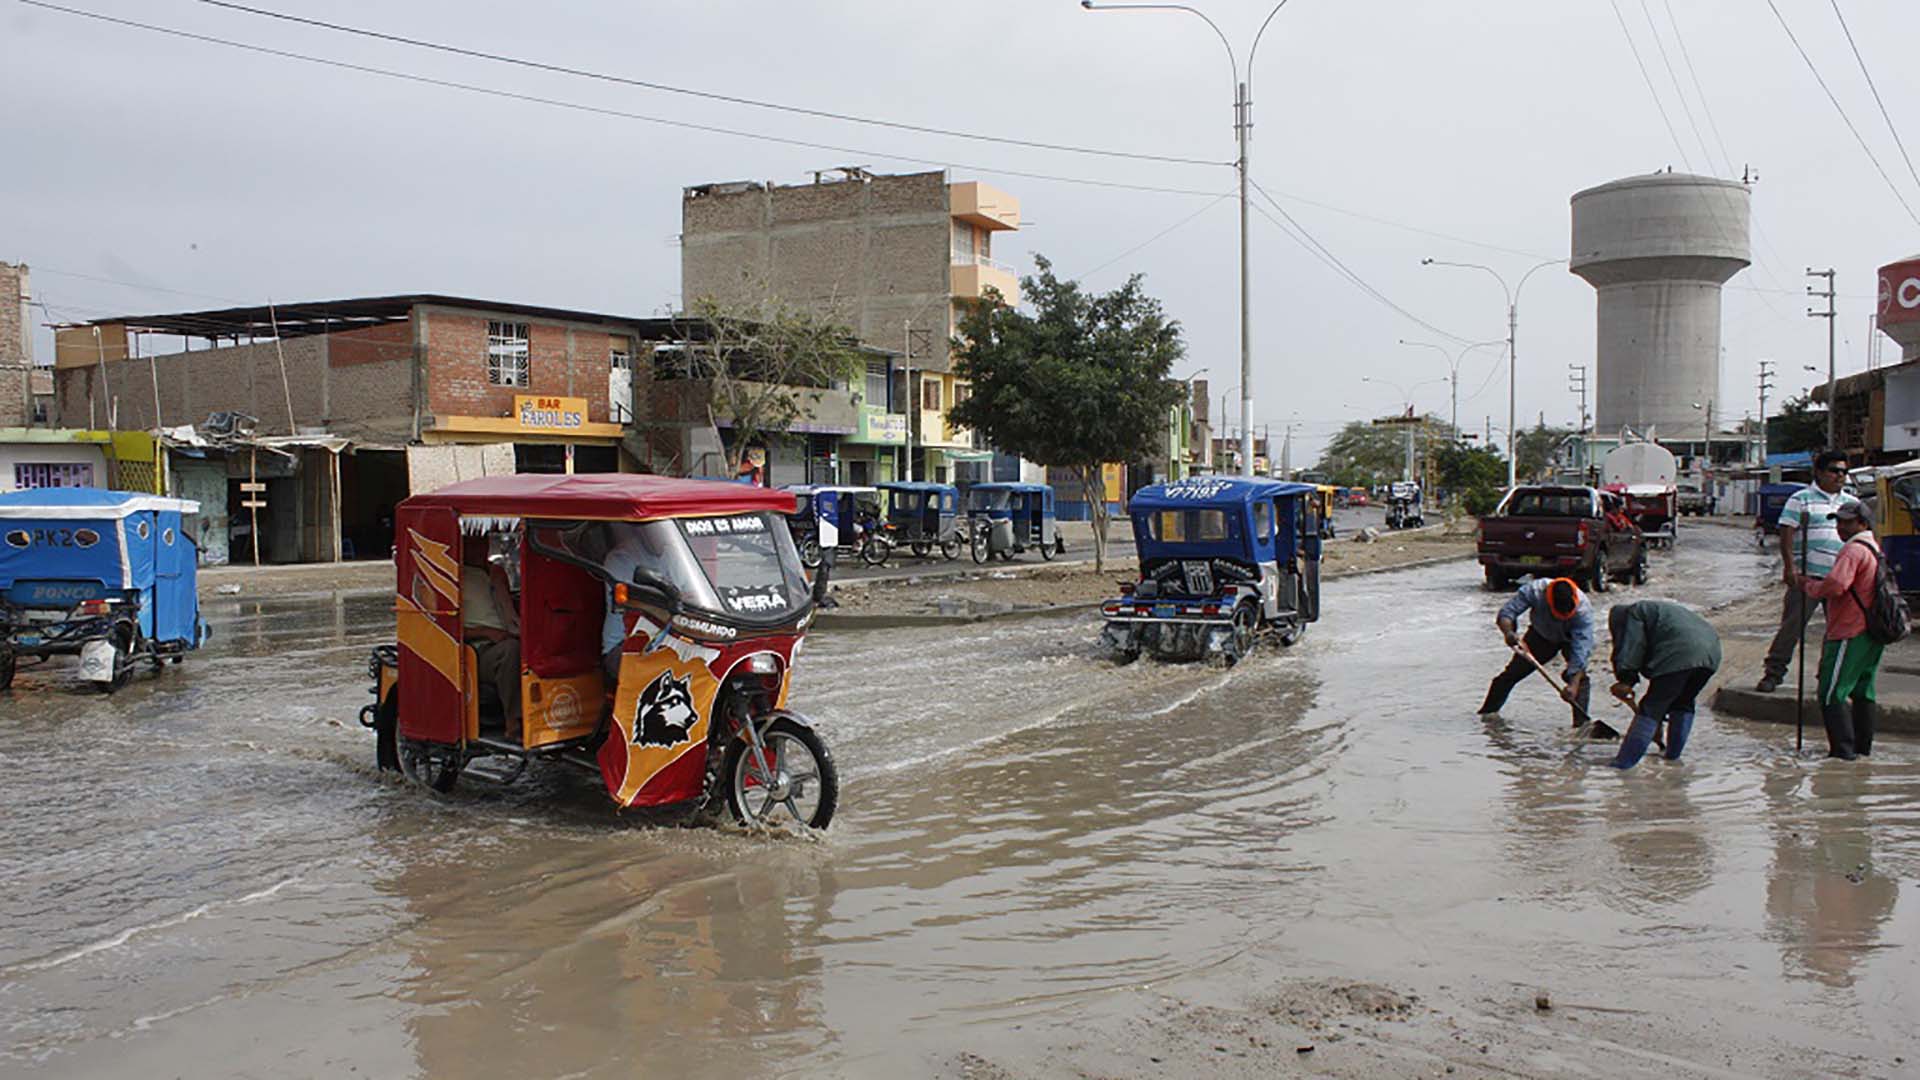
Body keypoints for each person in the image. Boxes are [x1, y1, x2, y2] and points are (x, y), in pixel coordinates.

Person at [1758, 450, 1859, 692]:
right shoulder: (1801, 499)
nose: (1840, 476)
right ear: (1820, 473)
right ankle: (1773, 673)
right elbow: (1787, 531)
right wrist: (1790, 567)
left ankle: (1827, 677)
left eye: (1844, 471)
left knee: (1836, 630)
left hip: (1839, 577)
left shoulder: (1852, 502)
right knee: (1792, 627)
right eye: (1835, 471)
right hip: (1807, 576)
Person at [1797, 501, 1885, 760]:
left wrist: (1809, 586)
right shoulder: (1873, 547)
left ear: (1863, 523)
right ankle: (1861, 750)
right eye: (1838, 522)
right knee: (1863, 690)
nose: (1840, 528)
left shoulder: (1853, 551)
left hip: (1849, 630)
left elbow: (1836, 586)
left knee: (1831, 692)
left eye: (1847, 522)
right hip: (1872, 631)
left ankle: (1842, 753)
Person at [1477, 576, 1606, 735]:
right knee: (1511, 675)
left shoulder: (1583, 611)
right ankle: (1486, 716)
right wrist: (1509, 633)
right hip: (1541, 636)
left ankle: (1581, 727)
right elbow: (1507, 613)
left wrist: (1573, 685)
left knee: (1580, 681)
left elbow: (1582, 650)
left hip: (1569, 639)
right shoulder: (1536, 591)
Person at [1605, 599, 1722, 769]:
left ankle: (1624, 764)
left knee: (1652, 706)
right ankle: (1672, 756)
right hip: (1711, 654)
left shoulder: (1633, 614)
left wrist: (1626, 679)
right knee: (1683, 703)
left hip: (1680, 653)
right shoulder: (1659, 611)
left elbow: (1633, 646)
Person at [461, 541, 521, 728]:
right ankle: (514, 721)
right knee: (511, 651)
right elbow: (444, 627)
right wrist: (485, 632)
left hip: (506, 635)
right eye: (473, 543)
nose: (480, 548)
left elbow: (510, 614)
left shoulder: (495, 572)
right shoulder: (456, 577)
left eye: (482, 543)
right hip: (478, 648)